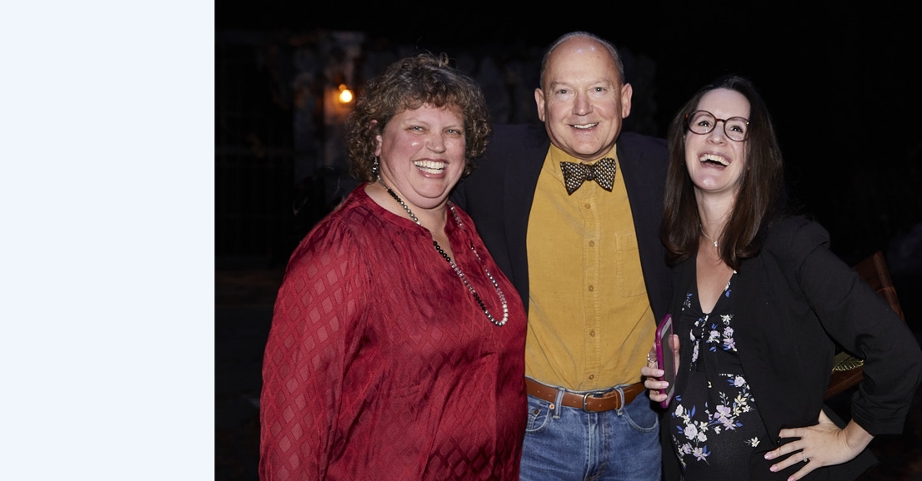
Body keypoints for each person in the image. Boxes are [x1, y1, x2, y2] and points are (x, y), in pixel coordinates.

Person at [640, 76, 922, 481]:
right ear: (683, 138)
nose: (717, 137)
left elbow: (898, 351)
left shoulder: (788, 245)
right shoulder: (676, 254)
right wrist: (671, 373)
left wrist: (849, 439)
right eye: (704, 122)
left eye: (735, 128)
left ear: (755, 156)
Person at [259, 54, 527, 480]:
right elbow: (294, 427)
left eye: (451, 131)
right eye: (416, 128)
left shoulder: (463, 226)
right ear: (378, 138)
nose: (436, 145)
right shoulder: (341, 250)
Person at [451, 32, 671, 480]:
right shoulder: (495, 163)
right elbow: (418, 171)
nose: (582, 108)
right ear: (539, 103)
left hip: (640, 427)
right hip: (536, 431)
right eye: (564, 91)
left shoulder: (667, 169)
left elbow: (742, 224)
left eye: (599, 89)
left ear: (625, 99)